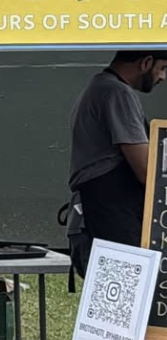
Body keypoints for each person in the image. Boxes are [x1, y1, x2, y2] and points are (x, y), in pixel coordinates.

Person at [69, 49, 167, 252]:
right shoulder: (117, 93)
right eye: (163, 68)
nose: (163, 78)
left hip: (103, 209)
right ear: (146, 62)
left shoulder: (99, 86)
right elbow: (146, 170)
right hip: (115, 216)